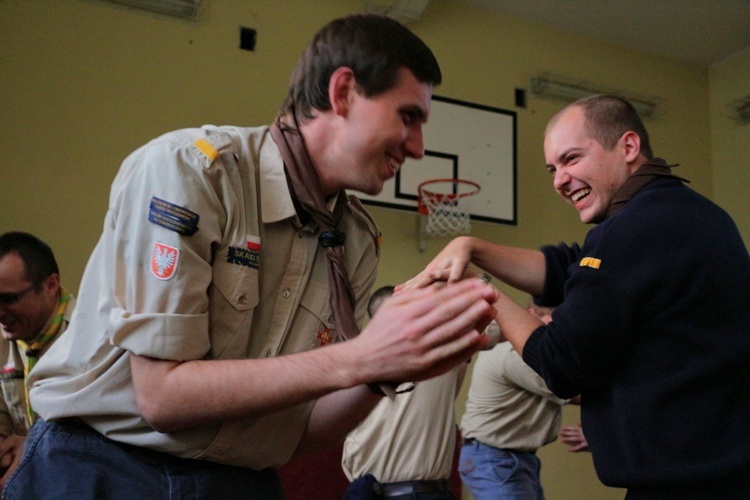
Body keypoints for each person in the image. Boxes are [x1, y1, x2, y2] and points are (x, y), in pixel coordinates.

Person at [5, 14, 499, 499]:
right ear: (343, 92)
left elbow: (301, 434)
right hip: (102, 467)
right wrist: (362, 355)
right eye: (408, 117)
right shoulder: (193, 172)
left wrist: (391, 366)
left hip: (240, 481)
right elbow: (162, 397)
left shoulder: (357, 240)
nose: (417, 147)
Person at [400, 94, 750, 498]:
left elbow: (561, 364)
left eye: (571, 159)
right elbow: (567, 266)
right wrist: (472, 245)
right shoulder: (686, 213)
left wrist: (481, 292)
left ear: (629, 147)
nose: (559, 181)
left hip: (690, 484)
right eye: (552, 168)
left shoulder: (633, 229)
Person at [342, 285, 496, 499]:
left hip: (406, 490)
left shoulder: (355, 356)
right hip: (377, 490)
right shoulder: (440, 340)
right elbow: (492, 324)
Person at [458, 301, 569, 500]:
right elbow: (570, 388)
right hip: (495, 458)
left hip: (507, 457)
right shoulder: (516, 354)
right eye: (553, 326)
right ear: (530, 315)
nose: (557, 337)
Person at [0, 232, 75, 487]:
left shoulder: (96, 339)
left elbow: (106, 443)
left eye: (8, 299)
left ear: (51, 285)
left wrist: (35, 448)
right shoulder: (2, 339)